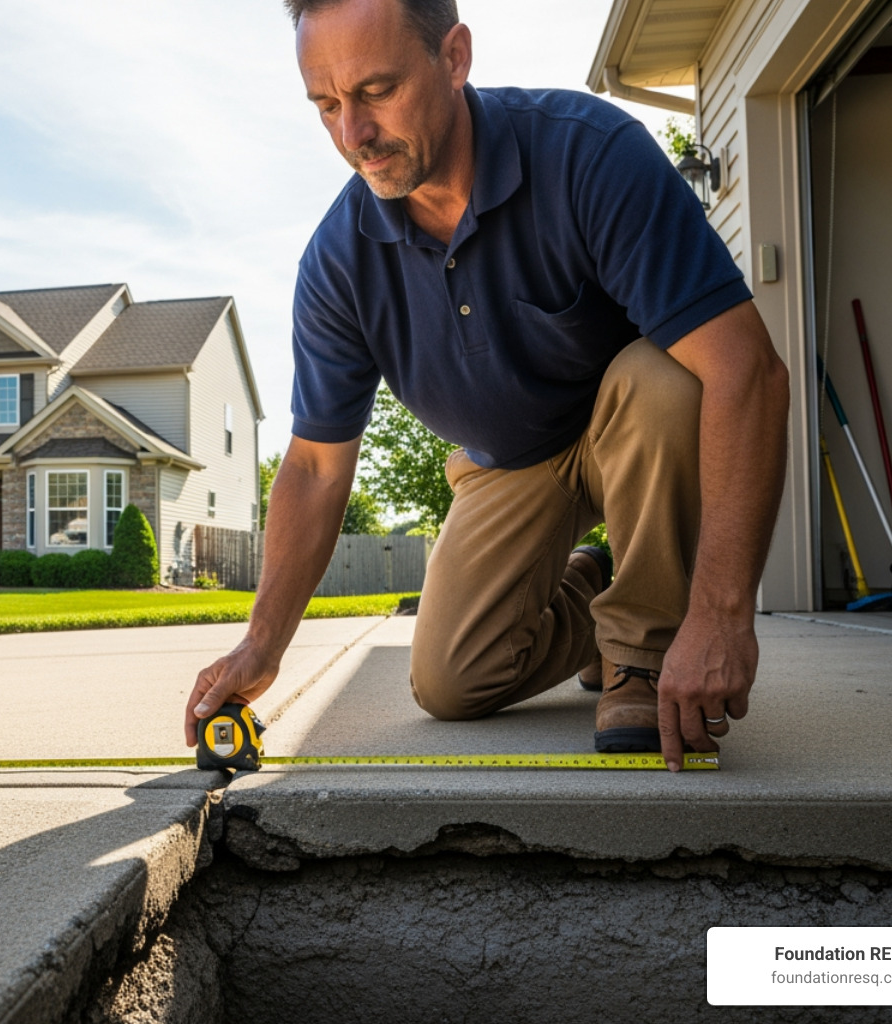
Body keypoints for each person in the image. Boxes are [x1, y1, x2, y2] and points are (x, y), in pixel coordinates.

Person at [183, 0, 789, 772]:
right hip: (510, 461)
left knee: (669, 374)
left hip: (639, 431)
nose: (353, 134)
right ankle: (599, 586)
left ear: (454, 57)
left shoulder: (590, 154)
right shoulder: (338, 264)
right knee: (452, 681)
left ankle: (641, 652)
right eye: (326, 105)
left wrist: (723, 614)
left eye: (376, 91)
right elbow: (313, 466)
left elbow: (748, 372)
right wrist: (262, 642)